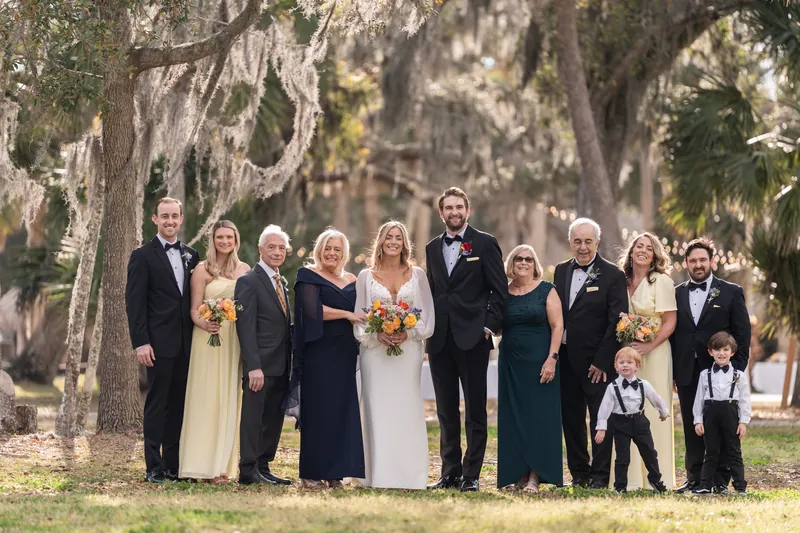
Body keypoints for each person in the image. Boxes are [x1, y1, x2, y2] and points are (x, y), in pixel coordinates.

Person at [425, 187, 508, 493]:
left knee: (475, 411)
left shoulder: (485, 243)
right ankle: (449, 473)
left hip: (473, 338)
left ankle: (471, 475)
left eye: (459, 207)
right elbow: (434, 291)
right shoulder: (432, 248)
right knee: (446, 410)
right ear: (441, 213)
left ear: (467, 211)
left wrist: (488, 327)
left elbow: (499, 292)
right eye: (449, 207)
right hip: (439, 340)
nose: (454, 212)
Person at [354, 221, 435, 489]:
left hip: (408, 351)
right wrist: (376, 334)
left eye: (398, 238)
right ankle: (377, 474)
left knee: (407, 407)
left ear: (404, 243)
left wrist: (408, 334)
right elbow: (361, 316)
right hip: (374, 352)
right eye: (389, 237)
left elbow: (427, 314)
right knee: (376, 408)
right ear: (380, 241)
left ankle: (409, 476)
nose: (393, 242)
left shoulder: (417, 274)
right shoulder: (365, 276)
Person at [126, 197, 200, 483]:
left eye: (175, 216)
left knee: (178, 405)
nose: (170, 221)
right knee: (157, 405)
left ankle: (173, 466)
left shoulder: (192, 255)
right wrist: (141, 342)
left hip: (186, 344)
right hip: (157, 345)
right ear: (154, 219)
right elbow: (135, 303)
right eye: (164, 216)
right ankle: (153, 468)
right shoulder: (142, 256)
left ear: (181, 219)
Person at [671, 238, 750, 493]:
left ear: (712, 261)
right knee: (693, 425)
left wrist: (735, 370)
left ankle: (720, 481)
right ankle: (695, 478)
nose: (698, 264)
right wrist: (673, 370)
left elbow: (742, 333)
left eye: (702, 259)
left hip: (721, 373)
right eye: (693, 260)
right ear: (686, 263)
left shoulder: (731, 291)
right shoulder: (677, 292)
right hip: (687, 370)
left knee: (723, 428)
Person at [289, 228, 366, 488]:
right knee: (319, 410)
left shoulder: (353, 278)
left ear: (344, 253)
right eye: (328, 248)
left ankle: (336, 472)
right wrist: (346, 315)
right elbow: (312, 311)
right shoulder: (307, 275)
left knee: (341, 411)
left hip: (346, 352)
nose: (332, 253)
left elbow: (363, 309)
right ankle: (311, 472)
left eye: (337, 249)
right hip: (319, 351)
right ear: (319, 250)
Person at [554, 218, 627, 489]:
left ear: (597, 242)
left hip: (598, 363)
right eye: (577, 241)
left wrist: (602, 360)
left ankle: (599, 476)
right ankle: (579, 474)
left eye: (588, 241)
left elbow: (617, 321)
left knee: (600, 420)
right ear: (570, 243)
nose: (582, 247)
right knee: (571, 421)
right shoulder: (561, 271)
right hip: (566, 359)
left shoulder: (612, 274)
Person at [179, 221, 250, 482]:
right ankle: (200, 464)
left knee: (229, 397)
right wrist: (204, 322)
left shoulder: (244, 270)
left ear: (236, 240)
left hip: (233, 340)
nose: (224, 241)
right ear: (213, 240)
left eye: (229, 237)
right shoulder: (202, 269)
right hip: (207, 337)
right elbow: (193, 308)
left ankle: (221, 467)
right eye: (220, 237)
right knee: (206, 397)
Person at [497, 245, 564, 493]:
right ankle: (518, 475)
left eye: (528, 259)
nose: (523, 263)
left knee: (538, 417)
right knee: (513, 417)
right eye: (518, 259)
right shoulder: (503, 292)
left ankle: (535, 477)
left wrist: (552, 359)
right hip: (511, 363)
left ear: (534, 263)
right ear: (511, 264)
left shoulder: (547, 290)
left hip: (541, 362)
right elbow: (496, 326)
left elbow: (557, 326)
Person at [615, 232, 677, 489]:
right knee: (624, 408)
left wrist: (648, 345)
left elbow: (670, 321)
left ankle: (656, 478)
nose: (642, 251)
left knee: (651, 407)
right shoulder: (622, 280)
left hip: (655, 352)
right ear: (631, 251)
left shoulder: (661, 281)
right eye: (638, 246)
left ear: (655, 256)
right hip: (626, 354)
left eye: (648, 248)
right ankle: (627, 479)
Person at [233, 225, 293, 486]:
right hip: (260, 365)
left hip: (281, 363)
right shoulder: (248, 281)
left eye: (281, 248)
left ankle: (264, 466)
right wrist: (253, 366)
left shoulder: (281, 281)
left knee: (272, 418)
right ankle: (247, 468)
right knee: (254, 417)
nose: (277, 252)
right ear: (260, 250)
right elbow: (245, 327)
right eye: (271, 247)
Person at [595, 347, 670, 494]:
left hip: (640, 422)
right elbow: (604, 409)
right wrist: (601, 428)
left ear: (637, 366)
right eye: (621, 362)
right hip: (620, 424)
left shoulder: (644, 385)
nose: (625, 365)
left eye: (629, 362)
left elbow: (656, 399)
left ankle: (655, 480)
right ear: (616, 367)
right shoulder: (612, 387)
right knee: (622, 457)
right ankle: (620, 486)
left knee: (650, 453)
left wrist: (663, 412)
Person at [692, 332, 751, 495]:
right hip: (710, 414)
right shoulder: (705, 375)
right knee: (711, 451)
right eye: (717, 349)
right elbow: (699, 400)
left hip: (730, 413)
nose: (721, 353)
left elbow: (745, 399)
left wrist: (743, 421)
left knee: (733, 451)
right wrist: (698, 420)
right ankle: (705, 484)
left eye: (725, 349)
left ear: (732, 352)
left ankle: (739, 486)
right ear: (710, 352)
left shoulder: (738, 375)